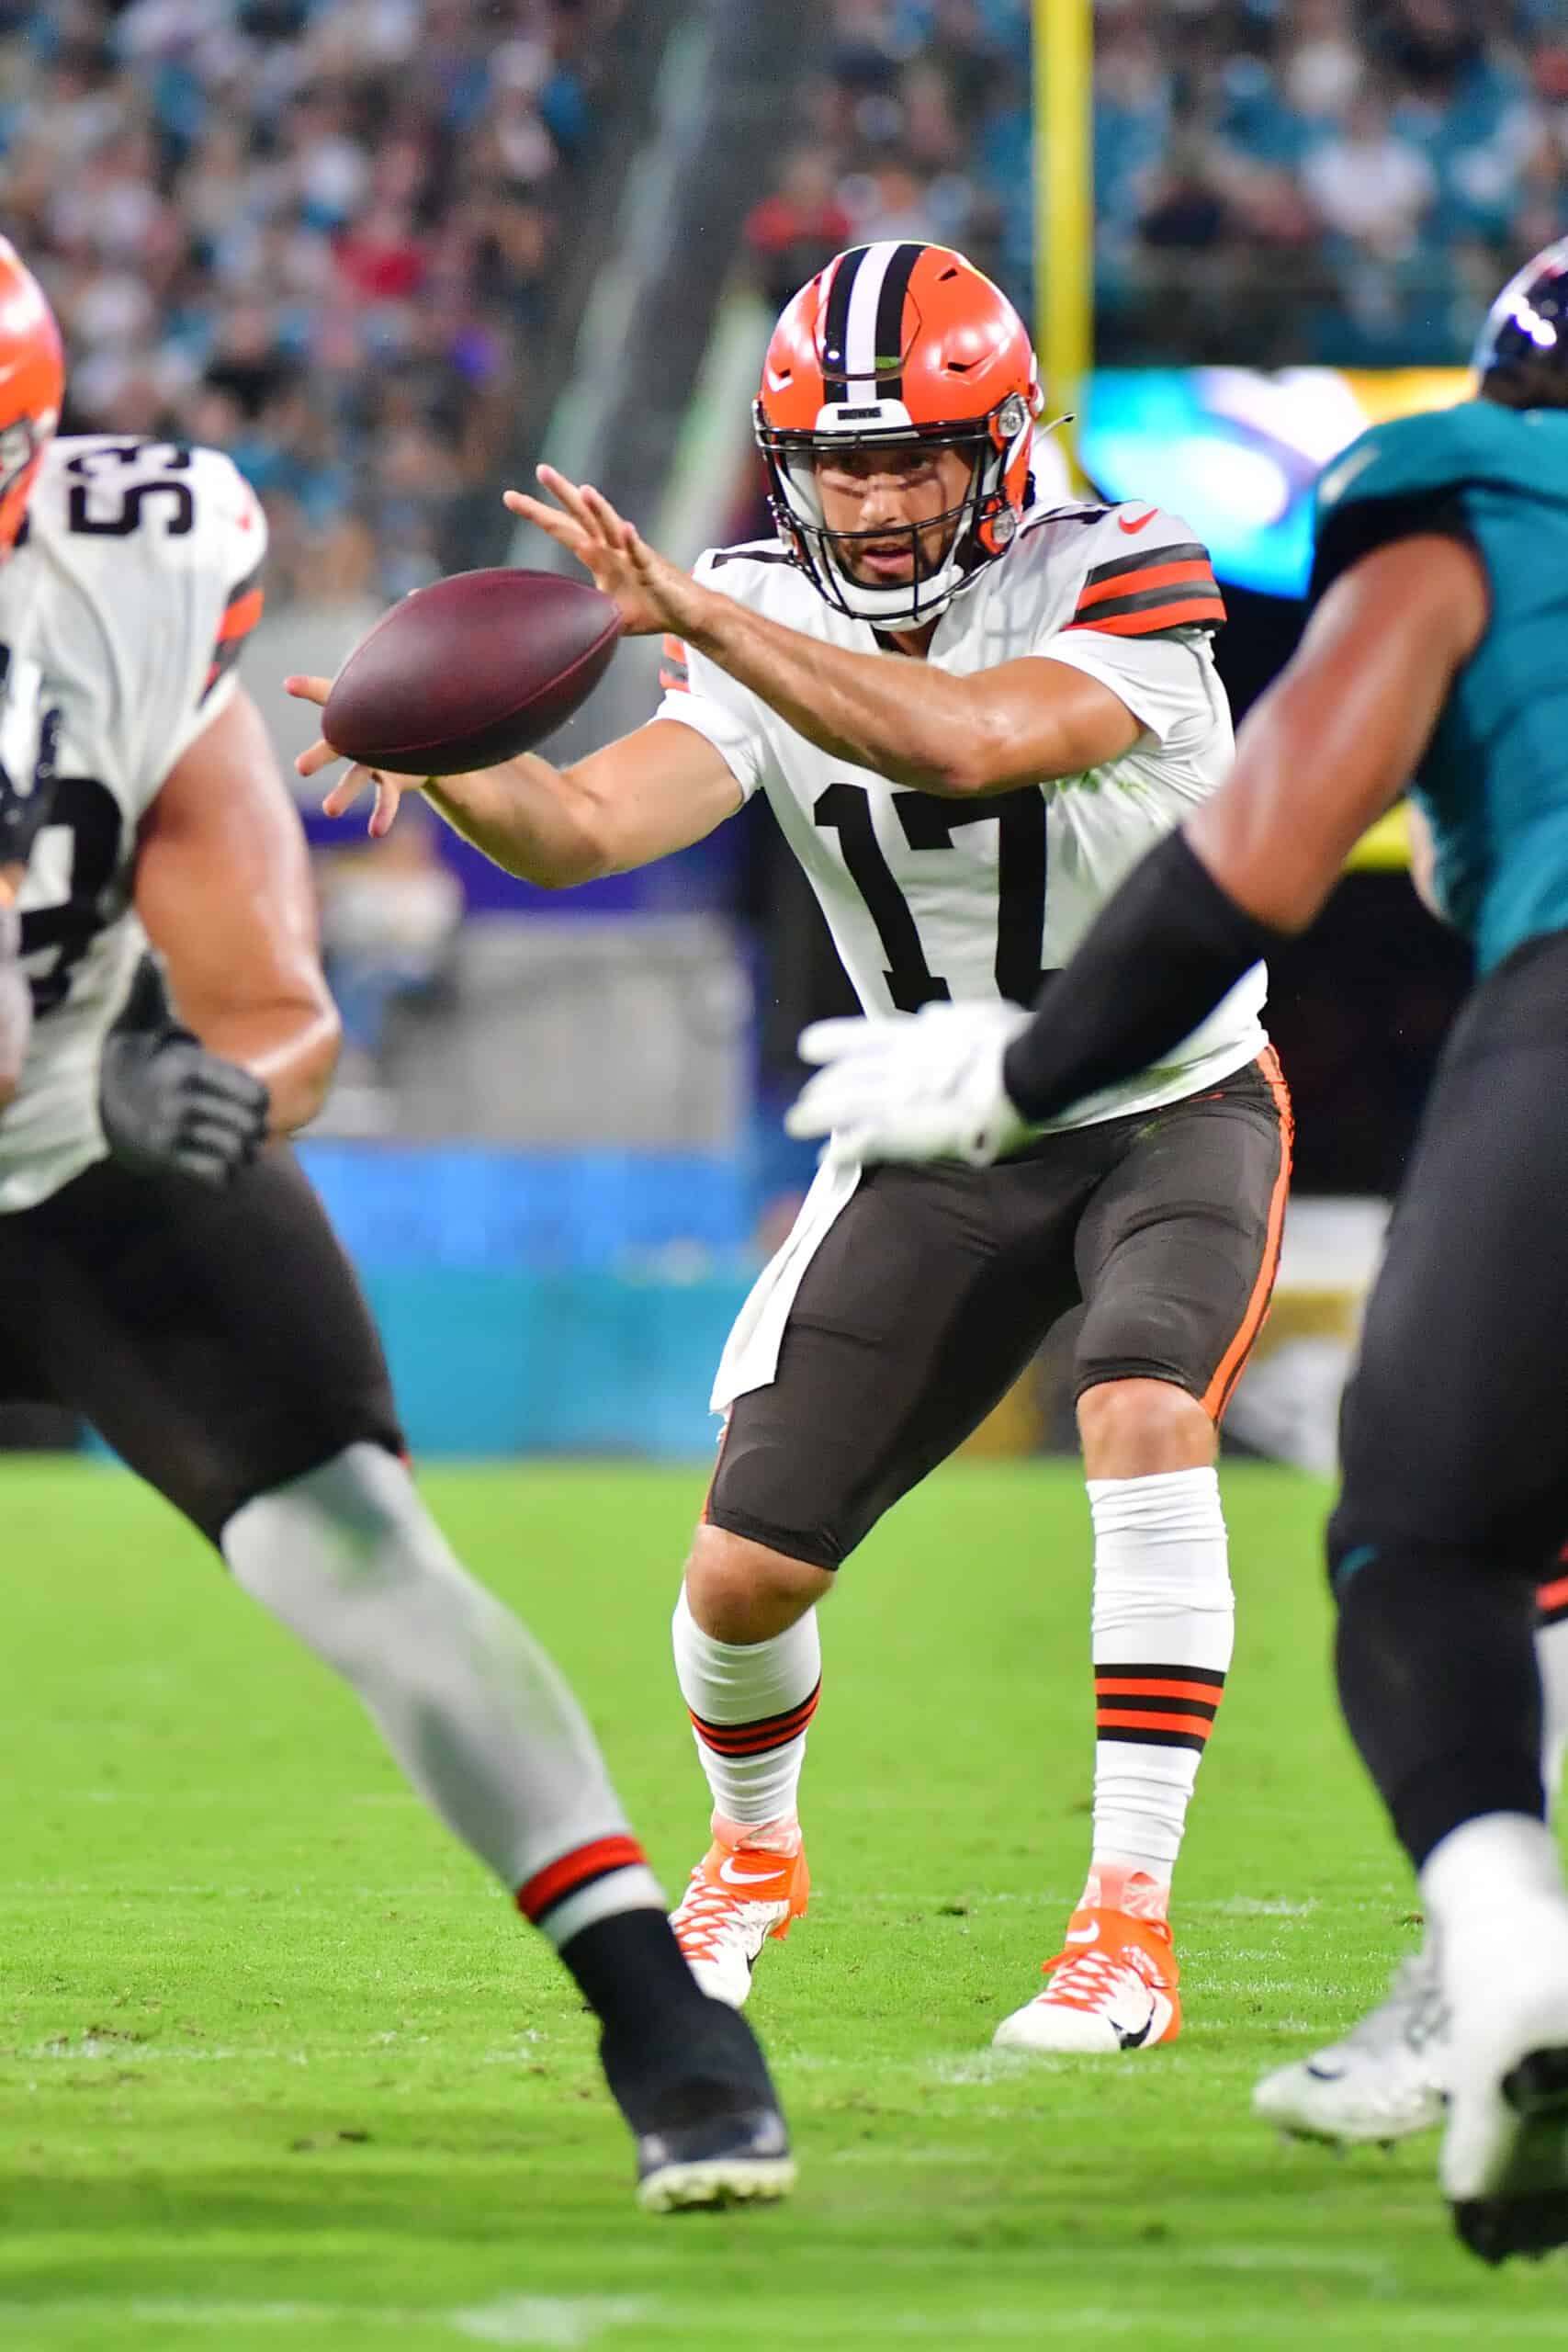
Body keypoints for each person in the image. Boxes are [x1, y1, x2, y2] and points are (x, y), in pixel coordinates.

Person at [293, 241, 1292, 2057]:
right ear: (790, 464)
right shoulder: (754, 607)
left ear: (1002, 449)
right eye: (846, 461)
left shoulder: (1120, 564)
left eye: (918, 455)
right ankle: (751, 1860)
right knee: (742, 1577)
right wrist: (435, 749)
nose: (882, 495)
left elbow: (976, 740)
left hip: (1162, 1094)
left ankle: (1123, 1922)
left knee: (1141, 1404)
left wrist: (713, 622)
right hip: (929, 1118)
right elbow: (591, 825)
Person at [786, 236, 1568, 2265]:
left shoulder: (1462, 492)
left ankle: (1501, 1961)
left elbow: (1259, 844)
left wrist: (1024, 1062)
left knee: (1430, 1541)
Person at [0, 238, 791, 2215]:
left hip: (64, 1136)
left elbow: (275, 1010)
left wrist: (204, 1095)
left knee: (359, 1548)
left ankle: (661, 2014)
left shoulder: (128, 570)